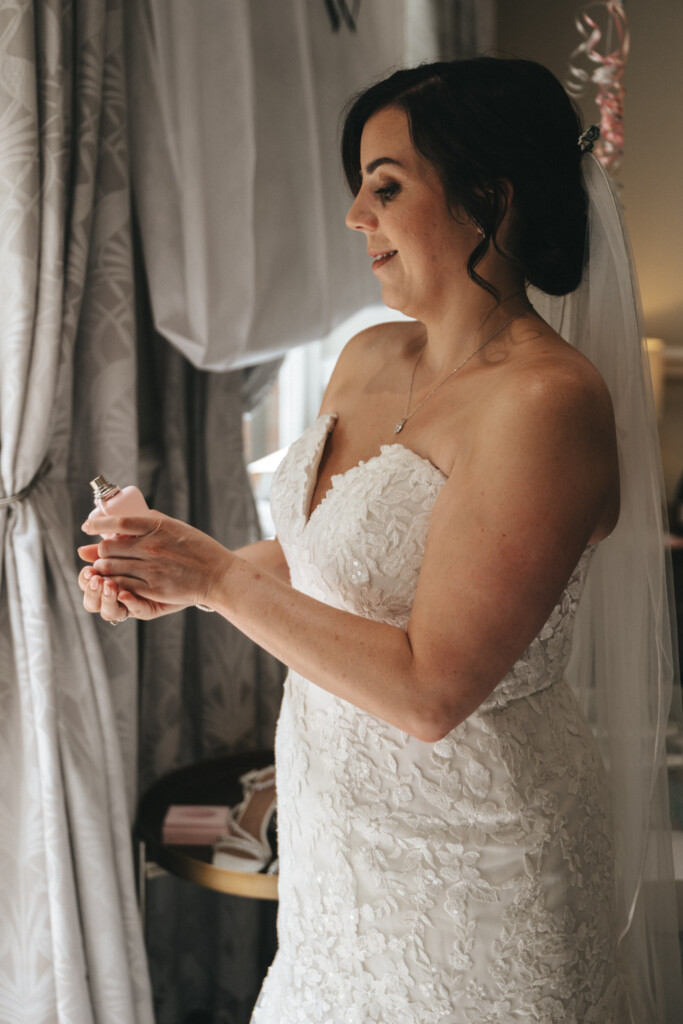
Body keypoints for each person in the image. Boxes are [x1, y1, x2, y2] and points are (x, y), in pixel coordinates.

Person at [78, 59, 682, 1023]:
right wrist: (184, 570)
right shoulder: (365, 357)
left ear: (487, 198)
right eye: (358, 186)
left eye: (386, 187)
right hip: (336, 850)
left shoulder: (545, 403)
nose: (356, 216)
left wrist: (224, 584)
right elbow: (332, 558)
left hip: (478, 866)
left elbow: (432, 689)